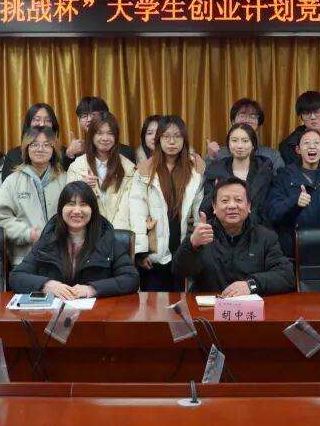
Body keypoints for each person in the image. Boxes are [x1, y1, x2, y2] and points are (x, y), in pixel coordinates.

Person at [9, 182, 139, 298]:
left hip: (97, 312)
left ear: (93, 210)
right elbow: (16, 276)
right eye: (71, 204)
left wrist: (92, 289)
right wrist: (47, 285)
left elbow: (131, 279)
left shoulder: (106, 239)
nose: (77, 210)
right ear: (61, 209)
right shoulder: (48, 239)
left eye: (83, 204)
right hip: (54, 312)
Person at [172, 178, 294, 296]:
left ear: (248, 206)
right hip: (208, 307)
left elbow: (286, 276)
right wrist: (192, 245)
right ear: (214, 207)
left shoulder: (265, 237)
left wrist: (252, 285)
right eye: (225, 201)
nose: (232, 206)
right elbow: (179, 271)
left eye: (238, 200)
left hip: (250, 308)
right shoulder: (202, 235)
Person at [129, 115, 205, 292]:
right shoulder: (144, 170)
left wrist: (198, 246)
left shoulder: (195, 170)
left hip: (183, 247)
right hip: (154, 251)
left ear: (184, 139)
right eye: (166, 136)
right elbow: (137, 212)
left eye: (177, 136)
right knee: (153, 304)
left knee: (182, 301)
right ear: (158, 139)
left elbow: (199, 210)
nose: (172, 142)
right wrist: (141, 251)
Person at [0, 127, 68, 265]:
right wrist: (27, 234)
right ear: (26, 148)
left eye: (46, 145)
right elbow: (1, 219)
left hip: (61, 258)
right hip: (24, 258)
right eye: (34, 144)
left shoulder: (65, 179)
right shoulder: (12, 181)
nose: (40, 149)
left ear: (54, 149)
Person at [268, 128, 320, 260]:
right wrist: (295, 203)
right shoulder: (284, 176)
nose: (312, 146)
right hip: (292, 252)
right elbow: (274, 213)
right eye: (306, 143)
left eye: (317, 143)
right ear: (297, 149)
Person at [65, 113, 136, 230]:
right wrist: (82, 187)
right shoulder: (76, 167)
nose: (105, 138)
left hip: (120, 233)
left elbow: (129, 208)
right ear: (91, 135)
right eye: (99, 133)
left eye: (110, 133)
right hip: (88, 233)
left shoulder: (129, 169)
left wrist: (114, 234)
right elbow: (68, 204)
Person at [200, 123, 274, 227]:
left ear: (253, 145)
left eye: (245, 141)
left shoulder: (265, 171)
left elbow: (271, 208)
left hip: (258, 230)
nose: (239, 146)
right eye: (234, 140)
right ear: (228, 144)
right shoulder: (215, 171)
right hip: (222, 230)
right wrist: (216, 191)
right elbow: (204, 210)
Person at [206, 98, 285, 172]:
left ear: (258, 124)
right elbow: (206, 177)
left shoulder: (273, 156)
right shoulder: (219, 154)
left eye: (253, 116)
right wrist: (212, 158)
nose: (247, 120)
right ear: (233, 121)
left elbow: (281, 180)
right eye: (242, 115)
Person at [62, 96, 136, 168]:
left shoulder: (126, 153)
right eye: (84, 116)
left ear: (106, 116)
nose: (89, 119)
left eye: (94, 115)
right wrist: (69, 155)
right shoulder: (77, 150)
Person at [2, 102, 61, 174]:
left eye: (48, 120)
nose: (42, 124)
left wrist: (70, 156)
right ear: (28, 124)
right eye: (37, 119)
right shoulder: (13, 155)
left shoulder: (64, 154)